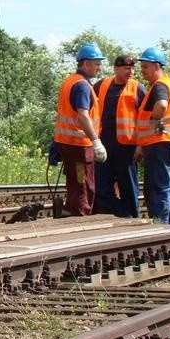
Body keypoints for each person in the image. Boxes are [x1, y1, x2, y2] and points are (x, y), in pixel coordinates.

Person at [53, 43, 108, 216]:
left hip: (67, 143)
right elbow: (83, 115)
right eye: (96, 63)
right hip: (79, 145)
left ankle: (70, 213)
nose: (99, 68)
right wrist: (96, 142)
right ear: (86, 64)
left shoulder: (69, 81)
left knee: (75, 186)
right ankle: (80, 219)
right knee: (84, 187)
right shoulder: (83, 85)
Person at [93, 55, 146, 218]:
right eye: (126, 69)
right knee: (102, 185)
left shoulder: (137, 88)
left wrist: (140, 146)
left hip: (127, 147)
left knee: (128, 186)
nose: (130, 72)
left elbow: (145, 118)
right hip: (104, 144)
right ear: (115, 69)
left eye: (132, 69)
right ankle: (111, 216)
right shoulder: (101, 85)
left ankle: (131, 217)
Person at [134, 47, 170, 224]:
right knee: (169, 186)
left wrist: (155, 120)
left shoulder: (159, 85)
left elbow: (161, 106)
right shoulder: (167, 83)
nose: (142, 71)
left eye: (145, 67)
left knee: (157, 187)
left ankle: (161, 226)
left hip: (159, 143)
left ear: (156, 66)